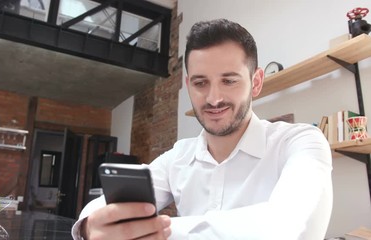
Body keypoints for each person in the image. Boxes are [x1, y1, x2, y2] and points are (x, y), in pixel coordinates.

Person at [72, 19, 333, 240]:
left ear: (256, 82)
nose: (213, 98)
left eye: (229, 81)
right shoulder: (179, 157)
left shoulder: (301, 142)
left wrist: (158, 231)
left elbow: (286, 223)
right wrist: (89, 225)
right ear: (188, 85)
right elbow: (104, 204)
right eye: (200, 83)